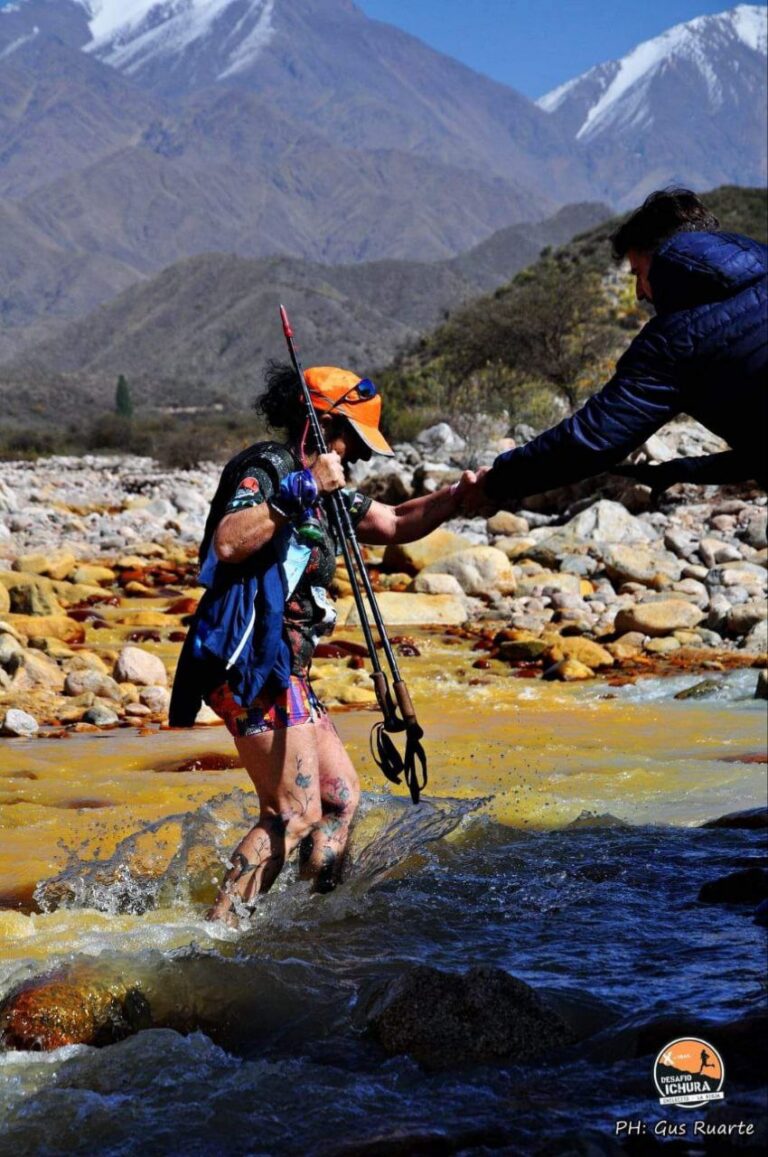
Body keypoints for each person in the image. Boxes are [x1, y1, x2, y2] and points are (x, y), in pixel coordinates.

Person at [170, 362, 480, 923]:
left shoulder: (328, 484)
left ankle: (311, 925)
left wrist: (461, 496)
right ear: (319, 424)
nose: (356, 455)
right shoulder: (270, 466)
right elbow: (230, 540)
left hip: (287, 670)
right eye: (352, 439)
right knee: (291, 813)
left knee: (338, 801)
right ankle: (214, 939)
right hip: (251, 663)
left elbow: (393, 522)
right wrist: (305, 484)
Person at [468, 188, 767, 509]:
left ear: (662, 261)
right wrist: (682, 469)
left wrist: (494, 482)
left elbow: (590, 441)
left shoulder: (677, 339)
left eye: (639, 273)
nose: (639, 292)